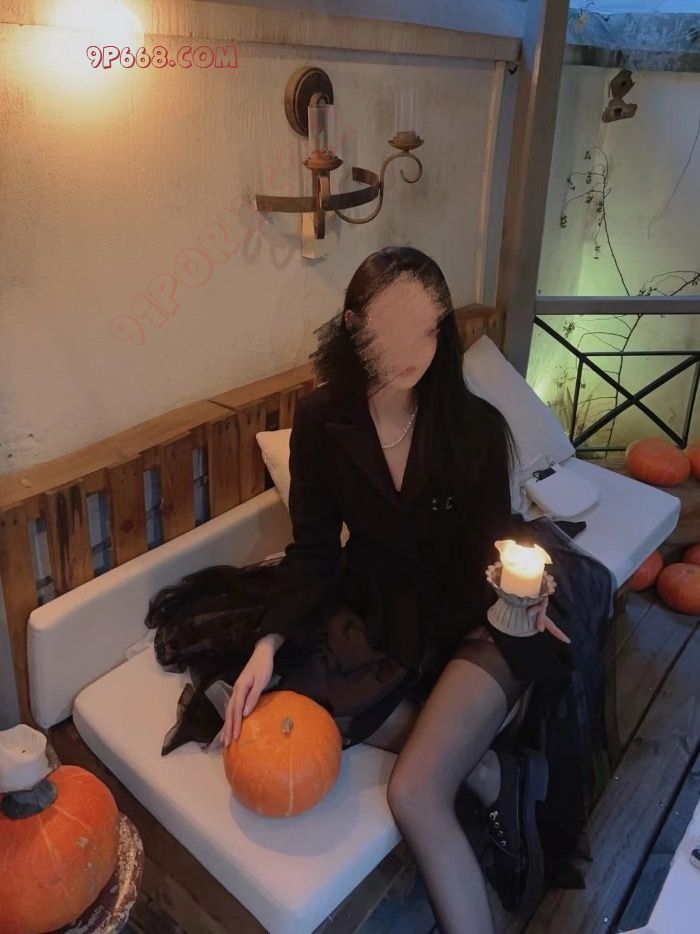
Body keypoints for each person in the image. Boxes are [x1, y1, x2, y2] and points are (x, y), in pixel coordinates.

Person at [222, 246, 572, 933]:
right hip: (377, 609)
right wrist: (267, 641)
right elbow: (313, 549)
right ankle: (491, 775)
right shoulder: (322, 419)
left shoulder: (473, 425)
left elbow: (498, 541)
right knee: (291, 678)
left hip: (473, 616)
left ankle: (478, 772)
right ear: (355, 329)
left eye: (427, 330)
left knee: (414, 792)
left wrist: (526, 596)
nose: (412, 352)